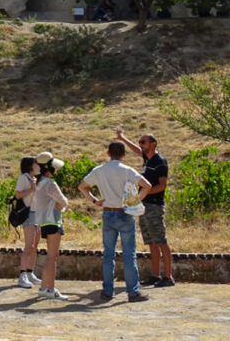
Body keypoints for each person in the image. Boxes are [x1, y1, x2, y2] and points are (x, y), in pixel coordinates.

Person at [78, 141, 153, 302]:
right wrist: (135, 200)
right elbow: (147, 185)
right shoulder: (127, 170)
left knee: (108, 255)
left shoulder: (99, 170)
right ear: (124, 155)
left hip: (108, 213)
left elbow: (82, 186)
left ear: (108, 153)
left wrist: (95, 201)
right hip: (125, 213)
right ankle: (133, 292)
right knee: (129, 255)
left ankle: (107, 291)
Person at [116, 128, 174, 286]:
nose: (140, 145)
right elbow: (135, 150)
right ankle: (155, 275)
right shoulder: (147, 159)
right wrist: (122, 138)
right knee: (151, 241)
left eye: (143, 142)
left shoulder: (159, 162)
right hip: (144, 205)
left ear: (153, 144)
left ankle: (168, 276)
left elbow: (162, 186)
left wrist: (143, 194)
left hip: (154, 206)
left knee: (161, 240)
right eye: (140, 142)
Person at [32, 151, 68, 299]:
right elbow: (63, 201)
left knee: (49, 256)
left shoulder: (38, 183)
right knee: (52, 257)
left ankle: (44, 287)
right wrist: (61, 204)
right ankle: (50, 289)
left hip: (43, 221)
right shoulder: (50, 184)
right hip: (53, 220)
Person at [15, 156, 41, 288]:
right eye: (36, 163)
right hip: (29, 213)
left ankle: (30, 272)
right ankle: (22, 275)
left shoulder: (34, 179)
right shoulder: (23, 178)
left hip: (37, 213)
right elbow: (18, 194)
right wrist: (31, 190)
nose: (38, 165)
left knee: (35, 246)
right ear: (30, 165)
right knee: (29, 245)